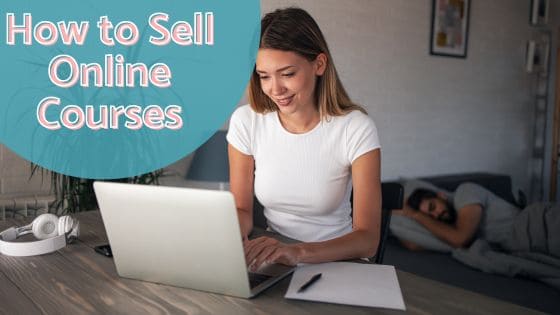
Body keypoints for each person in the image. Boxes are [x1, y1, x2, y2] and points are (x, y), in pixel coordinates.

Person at [226, 7, 381, 271]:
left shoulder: (356, 128)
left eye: (287, 74)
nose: (275, 89)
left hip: (339, 262)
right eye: (264, 76)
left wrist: (296, 252)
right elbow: (241, 211)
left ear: (319, 65)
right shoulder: (247, 121)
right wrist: (224, 235)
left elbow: (367, 239)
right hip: (276, 260)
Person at [393, 182, 520, 250]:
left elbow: (460, 239)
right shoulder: (450, 225)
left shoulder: (465, 192)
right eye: (430, 216)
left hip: (530, 223)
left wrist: (415, 215)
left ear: (441, 195)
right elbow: (414, 246)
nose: (436, 215)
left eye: (432, 207)